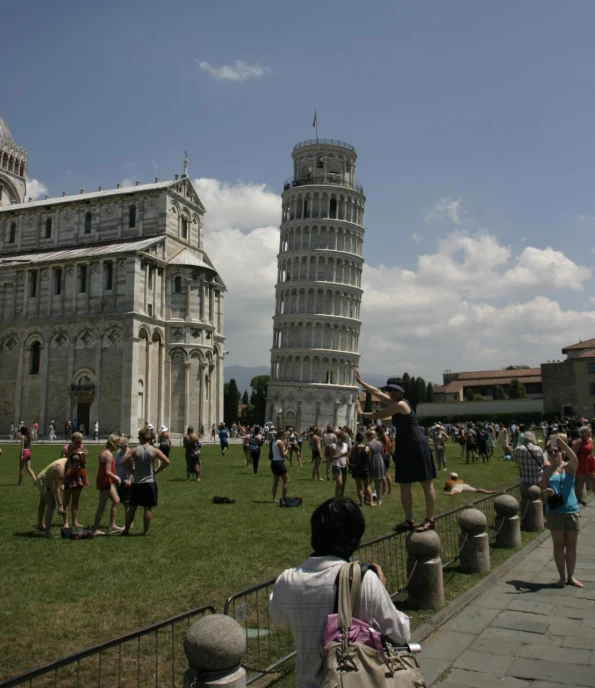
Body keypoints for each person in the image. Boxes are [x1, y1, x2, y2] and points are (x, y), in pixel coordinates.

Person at [268, 497, 410, 688]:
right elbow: (400, 633)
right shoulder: (365, 580)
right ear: (354, 539)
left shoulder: (287, 580)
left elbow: (277, 618)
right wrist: (381, 590)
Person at [356, 373, 436, 532]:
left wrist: (362, 413)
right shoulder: (395, 401)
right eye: (390, 390)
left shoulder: (401, 405)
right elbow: (377, 393)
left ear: (402, 392)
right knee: (404, 485)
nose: (391, 393)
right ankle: (409, 520)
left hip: (416, 444)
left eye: (394, 390)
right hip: (405, 445)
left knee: (426, 483)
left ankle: (429, 519)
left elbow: (380, 414)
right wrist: (361, 382)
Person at [540, 436, 582, 588]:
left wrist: (563, 444)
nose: (553, 454)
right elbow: (543, 493)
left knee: (571, 546)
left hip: (571, 511)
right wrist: (547, 492)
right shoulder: (546, 472)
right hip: (554, 512)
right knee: (558, 546)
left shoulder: (569, 467)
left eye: (556, 451)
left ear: (562, 452)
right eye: (550, 452)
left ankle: (571, 576)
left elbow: (575, 458)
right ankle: (562, 577)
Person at [121, 427, 170, 535]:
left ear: (141, 437)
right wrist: (157, 470)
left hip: (137, 481)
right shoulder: (154, 450)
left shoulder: (134, 450)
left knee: (132, 507)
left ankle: (126, 530)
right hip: (149, 481)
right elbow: (167, 461)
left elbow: (123, 461)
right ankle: (146, 531)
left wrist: (132, 470)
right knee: (147, 508)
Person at [91, 433, 124, 535]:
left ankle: (112, 525)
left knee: (116, 500)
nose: (118, 447)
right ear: (113, 444)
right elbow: (107, 472)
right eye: (118, 445)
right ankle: (95, 529)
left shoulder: (105, 451)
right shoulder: (108, 454)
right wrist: (116, 478)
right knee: (102, 505)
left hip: (107, 481)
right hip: (105, 481)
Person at [35, 458, 67, 537]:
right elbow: (56, 490)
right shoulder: (61, 468)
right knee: (51, 504)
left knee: (43, 502)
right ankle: (47, 532)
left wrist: (62, 483)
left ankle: (40, 524)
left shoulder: (68, 462)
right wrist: (60, 505)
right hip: (44, 480)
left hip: (43, 477)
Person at [62, 450, 89, 529]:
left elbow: (83, 473)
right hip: (68, 480)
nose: (75, 466)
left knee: (75, 501)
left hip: (77, 481)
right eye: (73, 463)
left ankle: (75, 521)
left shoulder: (81, 465)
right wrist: (63, 483)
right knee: (66, 502)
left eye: (77, 464)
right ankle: (65, 522)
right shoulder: (67, 466)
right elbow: (64, 475)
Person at [349, 432, 373, 507]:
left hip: (356, 468)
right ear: (363, 439)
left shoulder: (354, 447)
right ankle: (371, 502)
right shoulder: (367, 448)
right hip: (364, 468)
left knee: (359, 486)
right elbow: (369, 459)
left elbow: (350, 457)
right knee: (367, 485)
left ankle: (362, 503)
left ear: (356, 439)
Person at [573, 426, 595, 506]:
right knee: (582, 480)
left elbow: (590, 450)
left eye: (590, 431)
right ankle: (578, 498)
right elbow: (573, 452)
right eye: (588, 432)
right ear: (583, 433)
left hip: (590, 461)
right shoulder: (580, 441)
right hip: (582, 462)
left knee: (594, 478)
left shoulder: (590, 440)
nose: (590, 433)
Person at [365, 428, 385, 505]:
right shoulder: (380, 443)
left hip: (372, 461)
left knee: (368, 482)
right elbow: (382, 452)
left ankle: (367, 498)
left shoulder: (368, 444)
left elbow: (367, 455)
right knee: (378, 483)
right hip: (380, 461)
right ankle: (379, 500)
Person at [115, 434, 132, 516]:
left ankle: (129, 523)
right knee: (122, 502)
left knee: (127, 503)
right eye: (120, 446)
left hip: (126, 481)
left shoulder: (130, 453)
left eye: (122, 447)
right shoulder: (118, 452)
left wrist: (129, 479)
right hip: (119, 480)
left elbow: (134, 468)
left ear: (126, 445)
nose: (121, 448)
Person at [271, 429, 290, 503]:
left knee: (276, 482)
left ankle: (274, 499)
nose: (286, 436)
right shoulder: (280, 443)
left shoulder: (274, 441)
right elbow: (283, 455)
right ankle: (284, 499)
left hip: (274, 463)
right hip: (279, 463)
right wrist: (288, 449)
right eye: (285, 435)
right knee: (286, 480)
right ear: (281, 435)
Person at [330, 431, 349, 498]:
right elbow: (331, 457)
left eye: (346, 437)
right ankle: (336, 498)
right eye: (344, 437)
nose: (345, 438)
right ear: (339, 437)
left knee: (343, 484)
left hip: (344, 465)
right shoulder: (334, 446)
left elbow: (346, 456)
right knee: (339, 483)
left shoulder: (346, 445)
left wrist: (348, 463)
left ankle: (341, 498)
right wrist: (340, 455)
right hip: (336, 465)